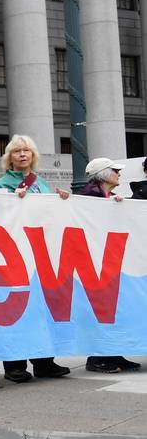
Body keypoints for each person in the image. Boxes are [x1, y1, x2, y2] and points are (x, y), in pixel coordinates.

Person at [0, 135, 72, 383]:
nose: (22, 154)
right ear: (10, 157)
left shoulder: (41, 183)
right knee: (17, 310)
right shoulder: (1, 184)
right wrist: (13, 202)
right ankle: (14, 365)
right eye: (17, 151)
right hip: (15, 254)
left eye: (26, 150)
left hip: (40, 254)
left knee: (41, 309)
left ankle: (44, 362)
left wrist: (61, 201)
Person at [78, 158, 140, 373]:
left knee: (113, 310)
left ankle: (113, 353)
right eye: (115, 171)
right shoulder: (89, 197)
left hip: (108, 259)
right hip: (96, 261)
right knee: (102, 309)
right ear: (103, 174)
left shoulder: (107, 197)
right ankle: (97, 358)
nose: (118, 174)